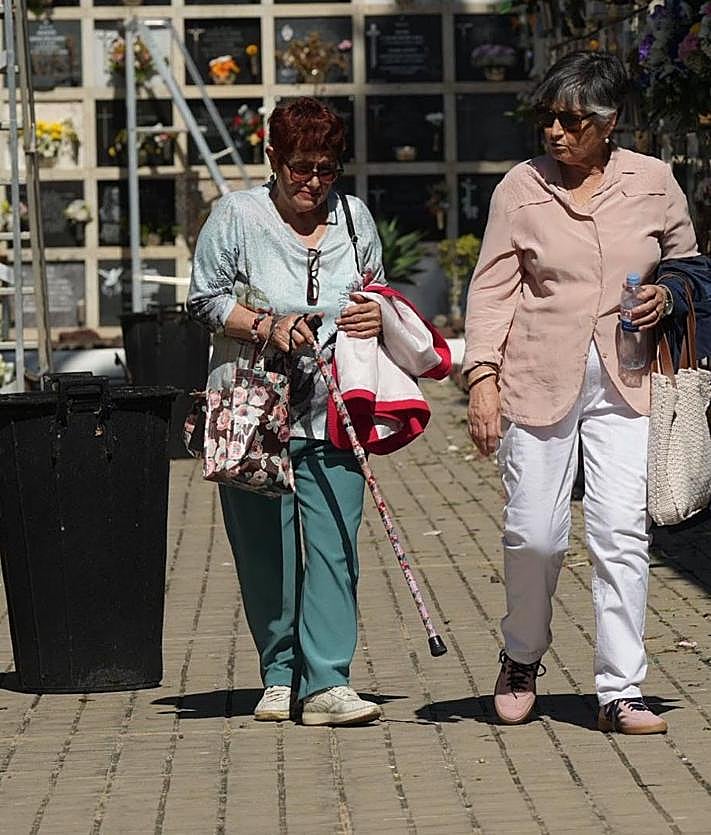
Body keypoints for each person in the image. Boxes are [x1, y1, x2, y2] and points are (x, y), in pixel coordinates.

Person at [463, 51, 698, 734]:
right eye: (546, 121)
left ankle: (620, 687)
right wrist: (481, 377)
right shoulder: (520, 188)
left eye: (570, 121)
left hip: (628, 380)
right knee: (534, 534)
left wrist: (668, 292)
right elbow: (491, 290)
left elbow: (689, 267)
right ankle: (520, 653)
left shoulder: (654, 182)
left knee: (620, 532)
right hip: (537, 377)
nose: (555, 135)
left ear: (608, 120)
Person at [187, 98, 385, 726]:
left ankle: (327, 681)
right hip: (252, 410)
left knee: (333, 544)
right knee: (263, 550)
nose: (313, 182)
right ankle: (279, 673)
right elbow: (204, 301)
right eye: (300, 166)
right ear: (273, 159)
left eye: (326, 169)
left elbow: (377, 292)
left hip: (337, 406)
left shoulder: (355, 219)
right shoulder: (236, 217)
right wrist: (267, 325)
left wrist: (375, 313)